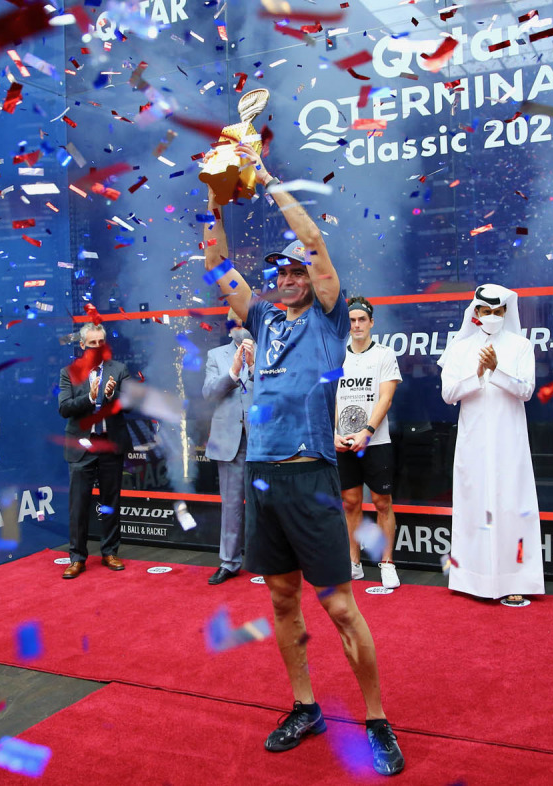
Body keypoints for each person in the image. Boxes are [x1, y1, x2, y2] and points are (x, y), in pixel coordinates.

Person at [200, 143, 404, 776]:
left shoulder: (331, 317)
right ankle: (305, 706)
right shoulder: (262, 318)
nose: (288, 277)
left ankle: (376, 720)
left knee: (339, 607)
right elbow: (216, 265)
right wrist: (214, 200)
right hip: (263, 477)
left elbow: (313, 240)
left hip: (312, 475)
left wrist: (263, 177)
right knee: (283, 603)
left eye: (297, 271)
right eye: (281, 272)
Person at [438, 284, 544, 604]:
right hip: (473, 444)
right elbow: (448, 395)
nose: (493, 316)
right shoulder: (460, 348)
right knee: (473, 507)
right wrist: (478, 373)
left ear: (506, 312)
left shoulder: (521, 345)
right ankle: (472, 579)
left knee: (511, 507)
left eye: (499, 312)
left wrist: (497, 370)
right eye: (487, 311)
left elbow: (526, 390)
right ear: (477, 312)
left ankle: (515, 579)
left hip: (509, 442)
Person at [335, 297, 403, 588]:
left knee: (381, 502)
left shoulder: (384, 354)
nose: (357, 325)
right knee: (350, 503)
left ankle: (387, 563)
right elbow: (330, 397)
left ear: (371, 322)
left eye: (362, 319)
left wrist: (368, 431)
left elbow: (386, 398)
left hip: (376, 442)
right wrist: (334, 432)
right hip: (343, 443)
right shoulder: (337, 355)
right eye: (352, 320)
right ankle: (354, 562)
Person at [56, 323, 130, 579]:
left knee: (111, 502)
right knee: (78, 505)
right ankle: (77, 557)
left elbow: (130, 403)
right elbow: (64, 408)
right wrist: (90, 397)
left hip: (110, 444)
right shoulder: (69, 372)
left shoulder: (119, 369)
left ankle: (110, 552)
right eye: (92, 344)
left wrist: (111, 395)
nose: (97, 347)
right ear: (82, 345)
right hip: (81, 448)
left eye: (101, 343)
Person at [202, 310, 255, 585]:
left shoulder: (270, 352)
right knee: (232, 505)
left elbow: (278, 392)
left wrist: (254, 367)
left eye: (244, 322)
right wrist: (233, 373)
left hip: (264, 440)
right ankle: (229, 562)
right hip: (230, 441)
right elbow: (209, 393)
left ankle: (269, 560)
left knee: (268, 504)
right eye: (236, 323)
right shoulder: (216, 355)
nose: (240, 327)